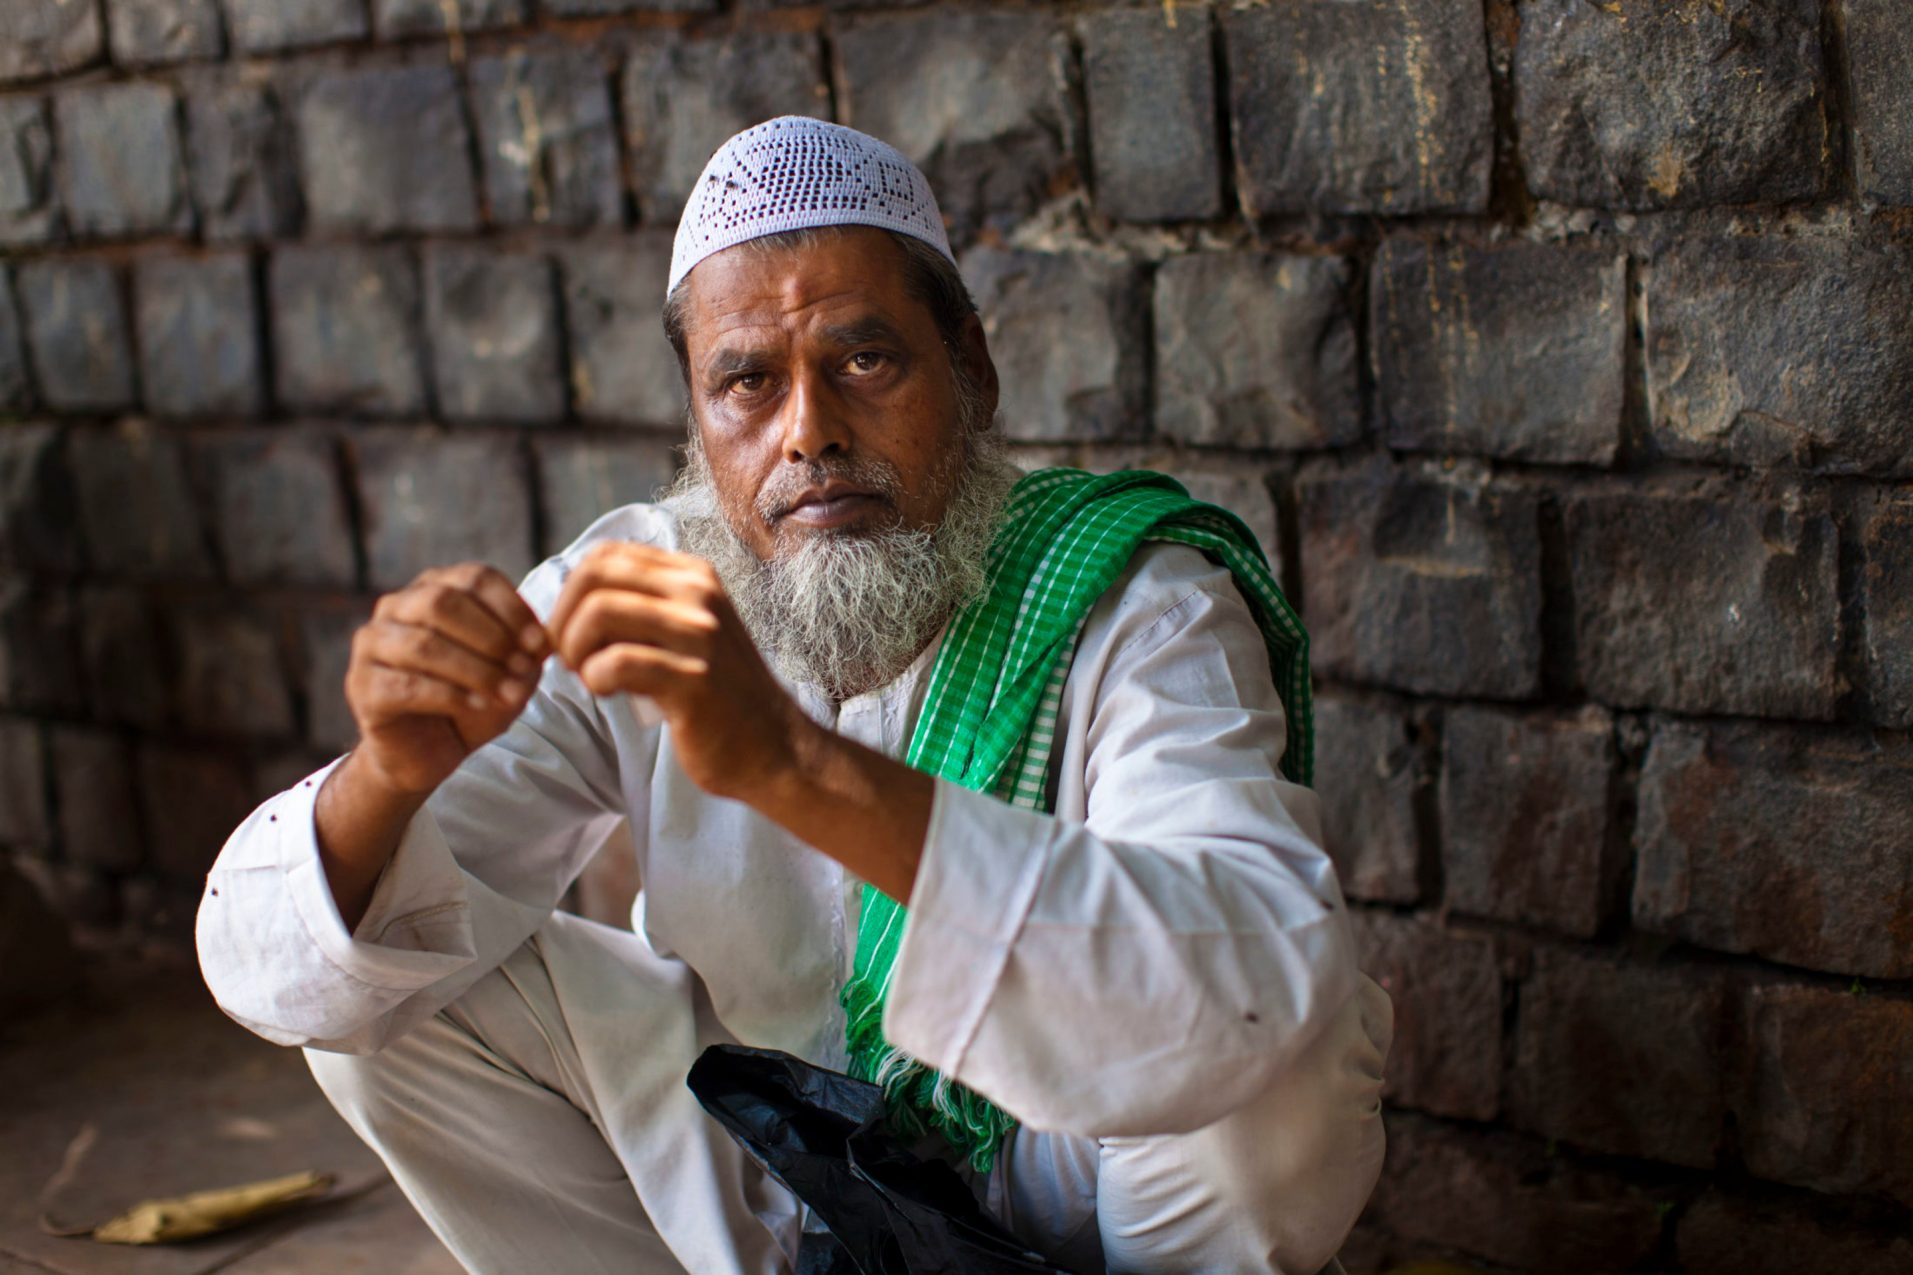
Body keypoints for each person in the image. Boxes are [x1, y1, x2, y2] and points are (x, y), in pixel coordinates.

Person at [197, 117, 1392, 1274]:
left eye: (863, 361)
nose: (809, 431)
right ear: (697, 428)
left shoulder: (1136, 603)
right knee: (378, 979)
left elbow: (1255, 982)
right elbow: (263, 962)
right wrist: (389, 774)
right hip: (763, 1199)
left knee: (1286, 1041)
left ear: (968, 368)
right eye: (748, 383)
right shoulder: (634, 598)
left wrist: (789, 766)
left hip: (1070, 1200)